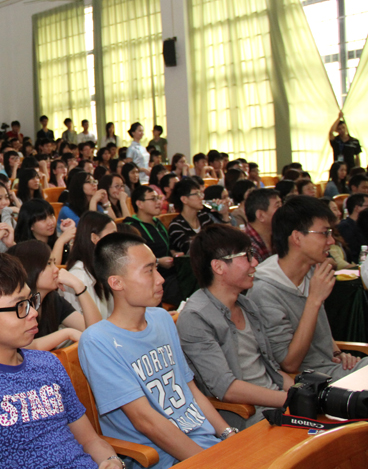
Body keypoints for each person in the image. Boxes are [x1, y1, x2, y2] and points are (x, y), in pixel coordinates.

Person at [0, 250, 122, 469]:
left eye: (31, 301)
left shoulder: (48, 363)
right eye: (20, 306)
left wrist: (112, 461)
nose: (33, 313)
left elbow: (90, 440)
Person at [79, 233, 232, 469]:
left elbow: (190, 388)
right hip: (165, 458)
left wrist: (228, 435)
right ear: (116, 283)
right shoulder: (98, 341)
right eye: (148, 271)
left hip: (205, 444)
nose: (160, 279)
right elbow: (145, 421)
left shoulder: (162, 319)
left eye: (157, 269)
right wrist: (209, 463)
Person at [177, 225, 293, 429]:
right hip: (248, 416)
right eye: (247, 256)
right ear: (219, 267)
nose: (255, 262)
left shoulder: (246, 305)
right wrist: (289, 399)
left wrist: (302, 392)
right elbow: (226, 388)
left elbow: (271, 369)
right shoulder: (196, 317)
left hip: (277, 402)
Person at [249, 196, 367, 380]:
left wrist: (337, 353)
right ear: (297, 237)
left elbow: (321, 334)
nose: (331, 241)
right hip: (310, 382)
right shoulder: (264, 291)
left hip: (333, 368)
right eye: (324, 233)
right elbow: (289, 363)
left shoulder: (311, 272)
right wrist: (314, 299)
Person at [8, 240, 102, 351]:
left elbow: (96, 332)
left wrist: (79, 287)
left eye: (54, 263)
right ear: (30, 268)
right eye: (49, 264)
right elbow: (21, 348)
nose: (56, 269)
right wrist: (67, 333)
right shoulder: (17, 305)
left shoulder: (53, 299)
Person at [124, 186, 182, 306]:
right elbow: (132, 259)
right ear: (140, 204)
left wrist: (174, 254)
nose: (158, 202)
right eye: (153, 199)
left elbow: (168, 246)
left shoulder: (158, 223)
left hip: (171, 273)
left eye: (158, 198)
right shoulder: (131, 227)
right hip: (151, 280)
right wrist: (158, 261)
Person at [64, 211, 117, 318]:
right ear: (94, 238)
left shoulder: (104, 269)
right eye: (112, 235)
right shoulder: (78, 276)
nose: (117, 241)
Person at [14, 198, 74, 263]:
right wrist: (61, 241)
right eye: (43, 219)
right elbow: (52, 267)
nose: (51, 222)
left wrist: (70, 240)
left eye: (51, 216)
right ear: (30, 225)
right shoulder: (25, 250)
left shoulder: (54, 242)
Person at [168, 179, 214, 255]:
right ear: (184, 199)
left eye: (201, 193)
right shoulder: (176, 226)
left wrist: (224, 215)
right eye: (197, 194)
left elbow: (219, 240)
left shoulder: (204, 217)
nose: (201, 197)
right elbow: (190, 251)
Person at [244, 188, 282, 263]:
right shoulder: (246, 246)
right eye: (278, 206)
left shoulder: (280, 235)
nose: (284, 210)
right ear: (261, 215)